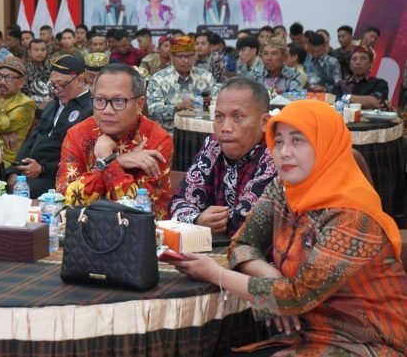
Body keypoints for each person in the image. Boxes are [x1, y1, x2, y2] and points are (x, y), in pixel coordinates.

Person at [169, 99, 406, 356]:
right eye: (278, 141)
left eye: (298, 141)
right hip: (306, 332)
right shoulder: (285, 190)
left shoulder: (352, 218)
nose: (284, 152)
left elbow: (296, 297)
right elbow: (241, 243)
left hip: (368, 342)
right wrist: (275, 283)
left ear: (326, 144)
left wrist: (216, 275)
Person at [57, 64, 173, 219]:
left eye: (118, 101)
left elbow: (141, 212)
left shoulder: (156, 140)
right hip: (83, 232)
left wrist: (107, 161)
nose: (107, 110)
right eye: (100, 100)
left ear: (139, 104)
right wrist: (112, 161)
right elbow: (65, 201)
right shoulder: (78, 135)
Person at [170, 78, 276, 235]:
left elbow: (247, 222)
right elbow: (179, 200)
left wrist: (206, 224)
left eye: (237, 117)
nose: (225, 128)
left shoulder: (275, 152)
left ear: (265, 122)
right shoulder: (214, 144)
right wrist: (198, 219)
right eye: (219, 116)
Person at [5, 55, 93, 198]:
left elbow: (82, 158)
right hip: (32, 171)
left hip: (59, 177)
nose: (57, 91)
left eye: (62, 85)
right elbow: (32, 139)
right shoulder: (52, 105)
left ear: (80, 80)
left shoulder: (89, 110)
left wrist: (43, 169)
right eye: (53, 85)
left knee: (20, 192)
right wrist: (15, 170)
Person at [147, 36, 215, 136]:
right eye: (181, 56)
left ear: (195, 55)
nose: (186, 60)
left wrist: (211, 102)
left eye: (190, 56)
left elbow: (219, 106)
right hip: (169, 135)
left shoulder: (206, 77)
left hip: (202, 135)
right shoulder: (158, 79)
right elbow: (153, 112)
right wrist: (178, 106)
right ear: (171, 56)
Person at [22, 39, 51, 107]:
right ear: (29, 52)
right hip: (32, 107)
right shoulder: (24, 71)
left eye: (42, 50)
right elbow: (23, 95)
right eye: (36, 50)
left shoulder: (52, 69)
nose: (40, 52)